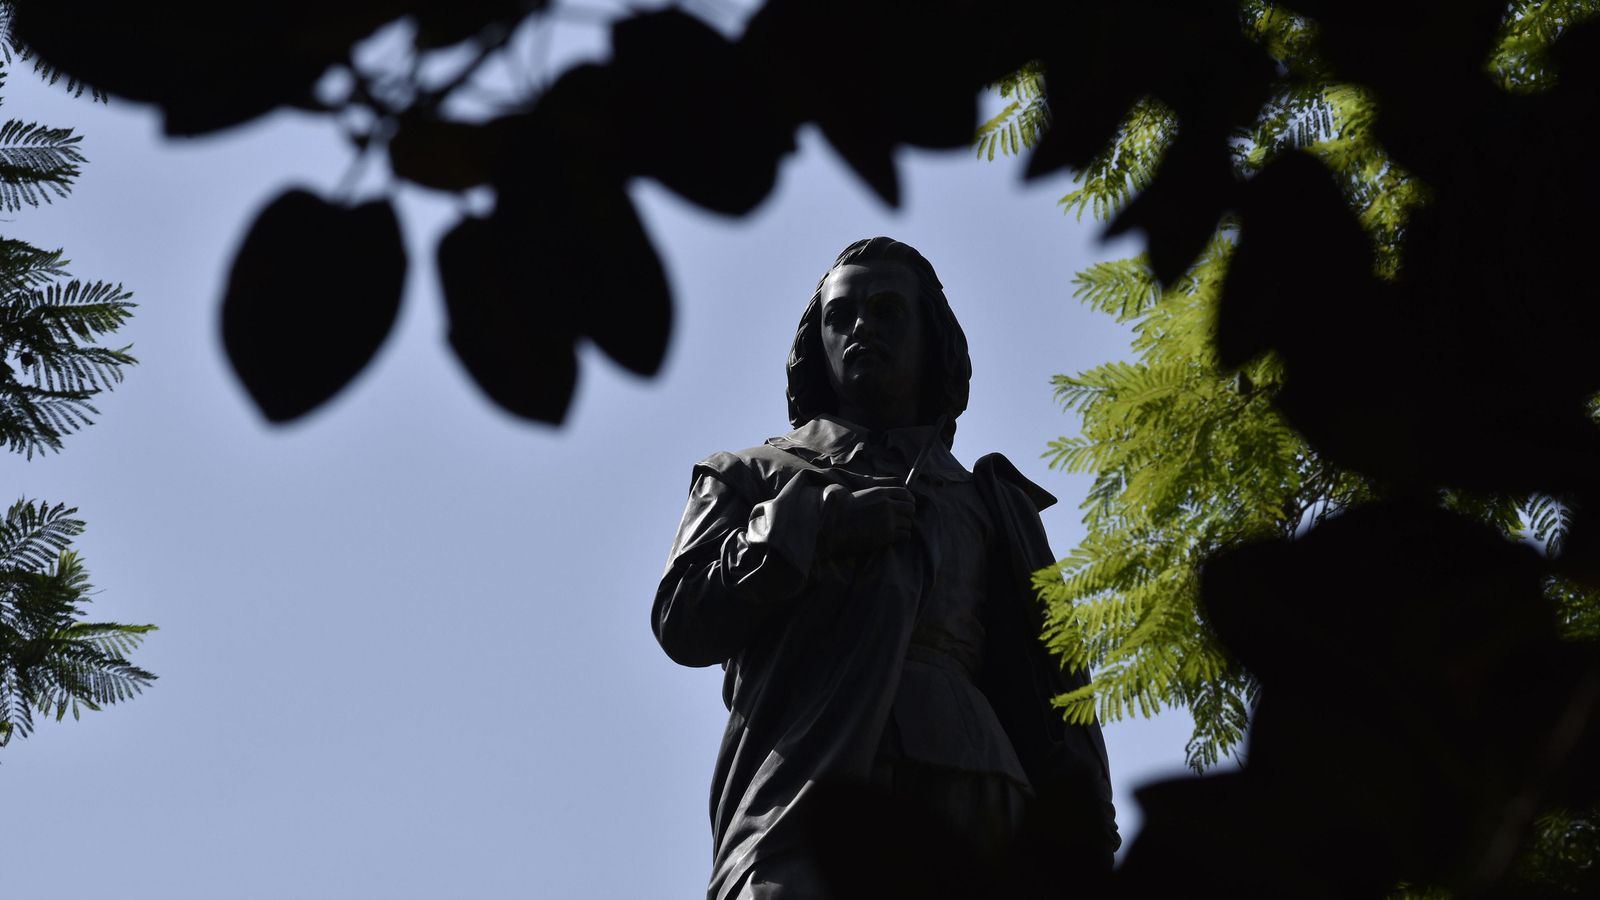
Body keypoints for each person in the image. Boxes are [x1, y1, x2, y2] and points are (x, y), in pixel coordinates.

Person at [654, 237, 1117, 899]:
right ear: (816, 344)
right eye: (839, 317)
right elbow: (682, 621)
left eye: (887, 310)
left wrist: (1089, 840)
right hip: (812, 787)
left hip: (982, 792)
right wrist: (810, 528)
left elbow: (1061, 694)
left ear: (932, 338)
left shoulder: (991, 504)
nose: (861, 327)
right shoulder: (750, 475)